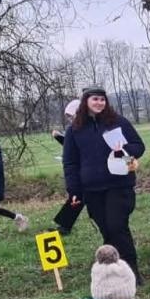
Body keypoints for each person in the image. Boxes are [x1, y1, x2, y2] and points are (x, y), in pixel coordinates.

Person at [62, 88, 146, 276]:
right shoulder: (74, 130)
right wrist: (73, 189)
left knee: (117, 226)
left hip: (119, 185)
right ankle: (114, 270)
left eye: (102, 99)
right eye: (95, 99)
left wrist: (123, 147)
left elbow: (139, 147)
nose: (99, 103)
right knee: (107, 230)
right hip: (92, 189)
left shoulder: (118, 122)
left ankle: (132, 271)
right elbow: (70, 163)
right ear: (86, 102)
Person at [50, 99, 83, 235]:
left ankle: (64, 226)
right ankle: (64, 226)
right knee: (76, 199)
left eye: (71, 115)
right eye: (68, 116)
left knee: (77, 199)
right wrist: (59, 137)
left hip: (87, 170)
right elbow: (72, 148)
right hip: (80, 170)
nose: (70, 119)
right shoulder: (74, 129)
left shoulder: (83, 129)